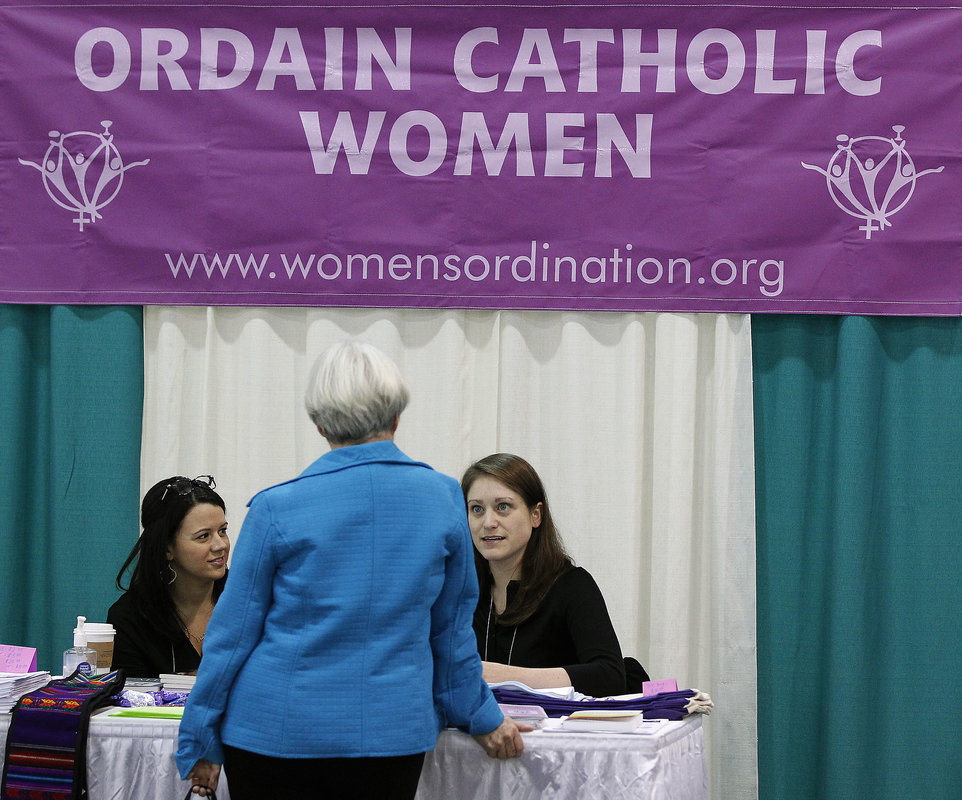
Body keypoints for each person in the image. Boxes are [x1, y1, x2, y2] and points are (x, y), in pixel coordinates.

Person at [175, 341, 527, 800]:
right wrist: (481, 715)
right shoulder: (443, 500)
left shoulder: (275, 507)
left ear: (319, 424)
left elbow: (231, 637)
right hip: (389, 734)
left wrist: (201, 735)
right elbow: (451, 633)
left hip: (271, 732)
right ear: (397, 416)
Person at [461, 453, 635, 698]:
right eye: (476, 509)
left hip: (556, 733)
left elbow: (610, 677)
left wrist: (507, 677)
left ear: (536, 515)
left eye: (503, 507)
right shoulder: (460, 590)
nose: (488, 522)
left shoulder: (571, 585)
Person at [107, 475, 230, 678]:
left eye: (222, 531)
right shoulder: (130, 617)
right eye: (203, 536)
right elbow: (129, 700)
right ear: (167, 548)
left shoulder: (250, 600)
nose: (221, 545)